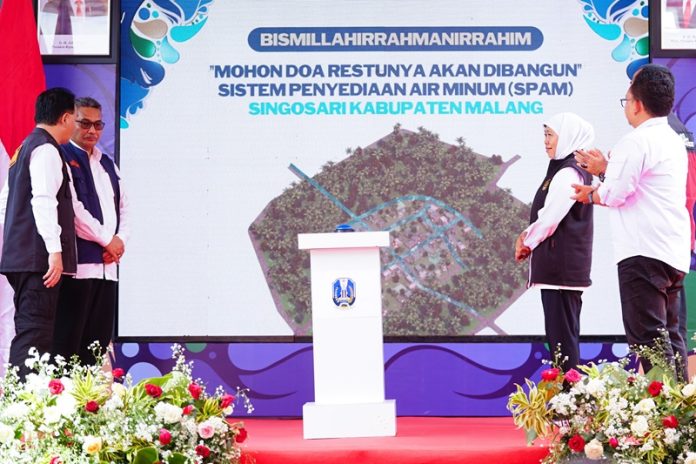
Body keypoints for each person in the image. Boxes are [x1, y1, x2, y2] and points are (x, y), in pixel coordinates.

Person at [573, 64, 691, 380]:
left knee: (649, 340)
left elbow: (615, 194)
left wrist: (591, 194)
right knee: (670, 337)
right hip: (671, 252)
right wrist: (605, 170)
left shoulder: (635, 141)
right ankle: (679, 406)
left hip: (643, 252)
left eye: (626, 100)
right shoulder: (672, 140)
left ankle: (664, 407)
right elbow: (638, 185)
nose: (626, 107)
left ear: (637, 104)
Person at [0, 87, 77, 378]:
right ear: (65, 118)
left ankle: (23, 396)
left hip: (22, 258)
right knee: (35, 333)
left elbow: (5, 204)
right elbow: (44, 200)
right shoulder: (46, 149)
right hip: (37, 261)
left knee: (32, 329)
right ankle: (23, 399)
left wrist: (17, 244)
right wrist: (54, 251)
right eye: (75, 119)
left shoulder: (24, 148)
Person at [52, 96, 130, 365]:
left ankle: (92, 394)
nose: (92, 131)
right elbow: (73, 211)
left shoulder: (107, 163)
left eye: (98, 125)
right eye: (85, 123)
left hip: (107, 269)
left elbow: (125, 208)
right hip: (78, 268)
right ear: (69, 121)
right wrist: (108, 241)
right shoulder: (61, 157)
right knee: (68, 345)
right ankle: (62, 393)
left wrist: (119, 241)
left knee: (97, 346)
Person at [515, 112, 595, 372]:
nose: (546, 141)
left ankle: (569, 394)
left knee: (562, 340)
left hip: (561, 272)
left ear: (568, 136)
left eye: (550, 134)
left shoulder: (569, 173)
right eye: (545, 135)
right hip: (560, 272)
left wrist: (526, 241)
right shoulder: (566, 169)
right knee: (561, 338)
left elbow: (550, 218)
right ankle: (568, 392)